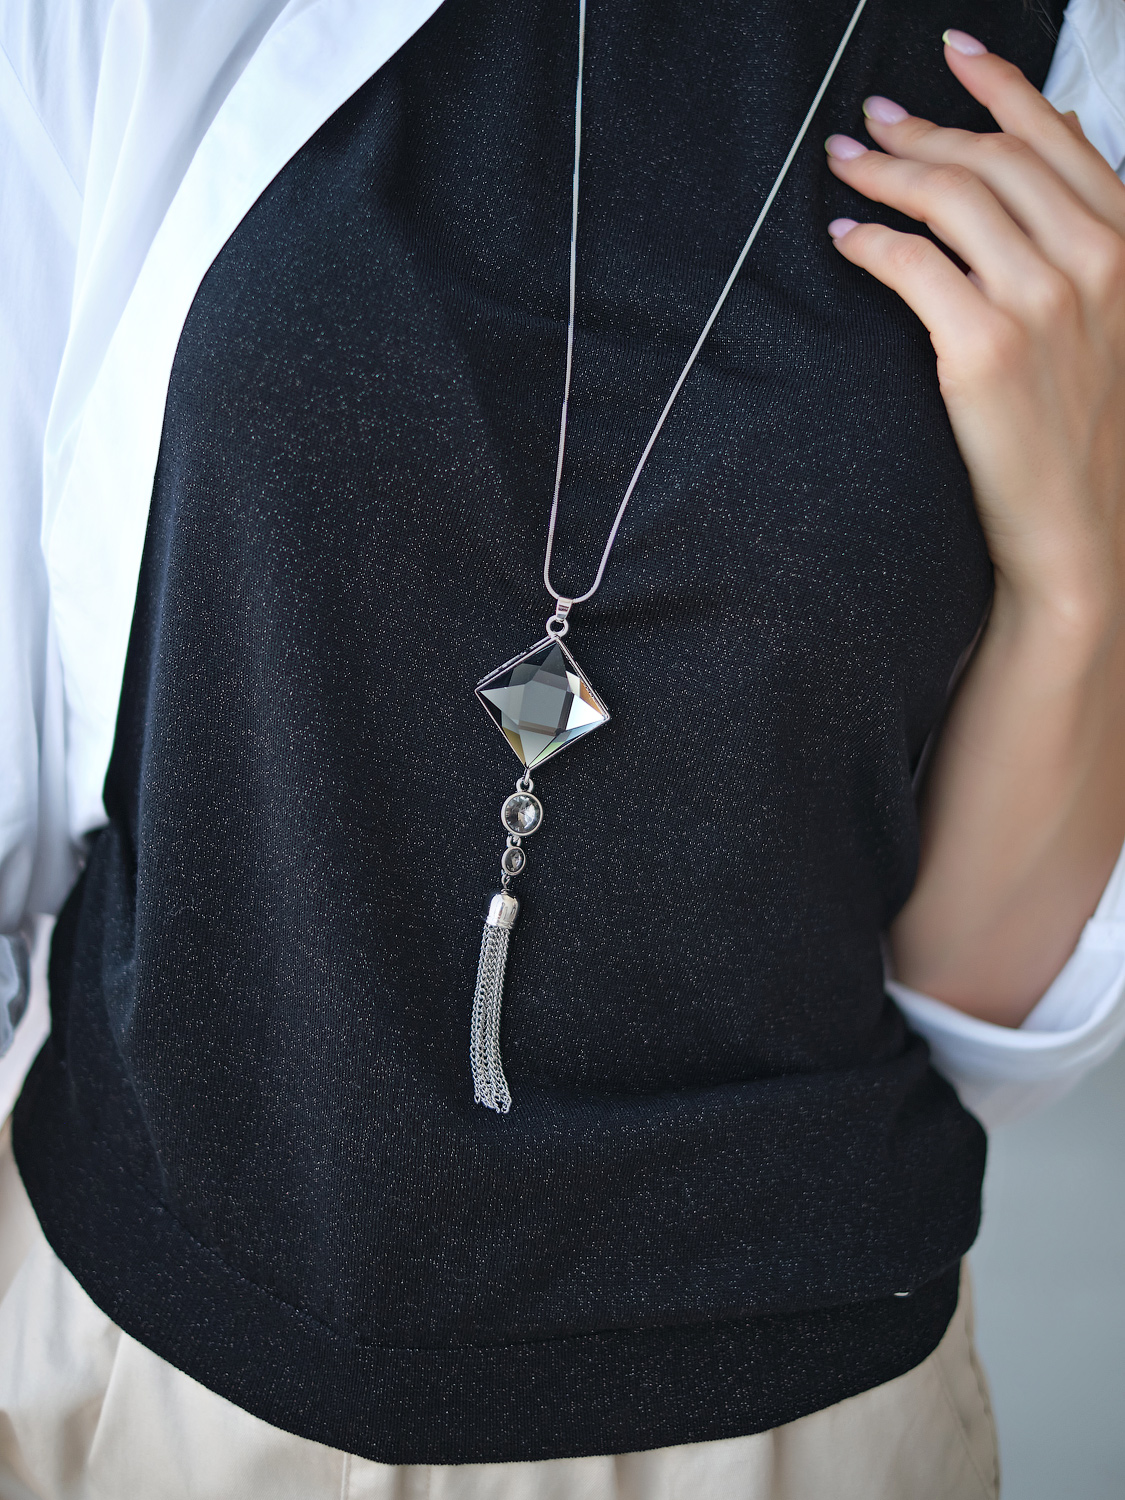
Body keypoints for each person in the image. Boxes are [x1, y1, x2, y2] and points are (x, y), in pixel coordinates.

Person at [2, 0, 1125, 1494]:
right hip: (138, 1335)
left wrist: (1081, 574)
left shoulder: (1078, 88)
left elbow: (981, 1019)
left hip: (782, 1405)